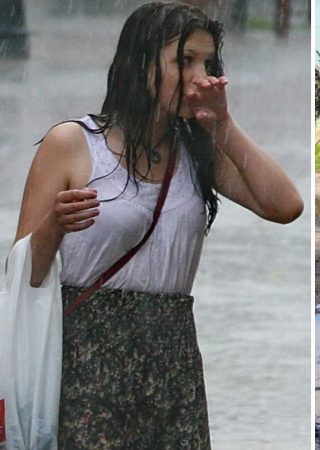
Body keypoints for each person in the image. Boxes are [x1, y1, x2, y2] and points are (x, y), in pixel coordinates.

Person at [13, 2, 303, 447]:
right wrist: (54, 225)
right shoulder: (72, 144)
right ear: (141, 64)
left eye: (208, 63)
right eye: (184, 61)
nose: (200, 76)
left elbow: (285, 206)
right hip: (85, 363)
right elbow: (22, 278)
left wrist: (222, 124)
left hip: (174, 364)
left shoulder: (199, 152)